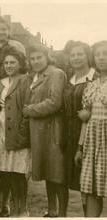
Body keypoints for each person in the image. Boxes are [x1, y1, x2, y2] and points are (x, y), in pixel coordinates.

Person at [22, 44, 68, 217]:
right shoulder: (36, 76)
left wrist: (30, 110)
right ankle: (52, 210)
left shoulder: (55, 73)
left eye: (39, 57)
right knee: (50, 173)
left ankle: (62, 213)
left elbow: (55, 102)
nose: (35, 61)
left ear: (47, 56)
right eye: (32, 58)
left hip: (53, 131)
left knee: (57, 174)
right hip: (40, 132)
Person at [0, 47, 30, 217]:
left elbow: (28, 108)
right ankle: (6, 204)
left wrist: (24, 132)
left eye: (12, 62)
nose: (9, 65)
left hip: (18, 132)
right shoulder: (1, 82)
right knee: (5, 171)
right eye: (6, 63)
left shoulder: (26, 80)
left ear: (20, 64)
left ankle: (22, 210)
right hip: (2, 131)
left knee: (19, 173)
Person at [62, 41, 97, 215]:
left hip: (88, 133)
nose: (75, 58)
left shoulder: (95, 77)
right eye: (72, 55)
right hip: (69, 133)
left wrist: (90, 112)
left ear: (87, 56)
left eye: (80, 54)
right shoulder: (69, 79)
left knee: (87, 182)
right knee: (71, 180)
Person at [75, 41, 107, 217]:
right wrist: (80, 148)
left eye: (106, 54)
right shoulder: (91, 85)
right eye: (98, 54)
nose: (102, 58)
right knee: (93, 188)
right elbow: (85, 121)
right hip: (93, 142)